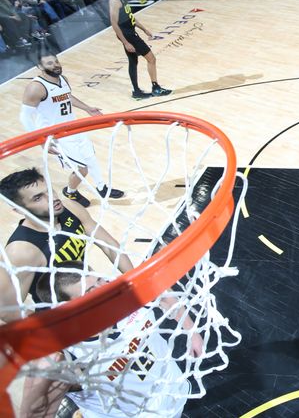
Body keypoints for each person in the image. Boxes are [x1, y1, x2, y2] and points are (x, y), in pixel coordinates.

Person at [19, 262, 201, 418]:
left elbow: (161, 292)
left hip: (173, 385)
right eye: (91, 291)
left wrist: (191, 330)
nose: (104, 289)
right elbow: (35, 410)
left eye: (99, 280)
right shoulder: (71, 356)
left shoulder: (121, 292)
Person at [0, 168, 135, 322]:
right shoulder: (21, 251)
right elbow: (6, 310)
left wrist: (136, 280)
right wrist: (51, 329)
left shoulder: (70, 207)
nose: (52, 199)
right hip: (64, 318)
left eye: (49, 191)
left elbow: (109, 245)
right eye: (38, 198)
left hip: (92, 292)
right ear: (18, 209)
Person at [20, 52, 124, 207]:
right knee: (82, 169)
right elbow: (25, 117)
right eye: (49, 63)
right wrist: (41, 141)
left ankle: (102, 187)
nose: (55, 65)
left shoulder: (62, 79)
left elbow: (67, 96)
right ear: (40, 67)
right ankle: (71, 191)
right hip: (56, 136)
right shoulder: (36, 88)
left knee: (91, 159)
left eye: (56, 61)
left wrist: (87, 108)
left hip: (74, 128)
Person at [108, 0, 171, 99]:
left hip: (130, 32)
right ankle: (156, 88)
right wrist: (126, 42)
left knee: (133, 62)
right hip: (129, 36)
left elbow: (130, 17)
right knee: (151, 59)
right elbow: (114, 23)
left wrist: (144, 29)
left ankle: (136, 92)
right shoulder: (114, 1)